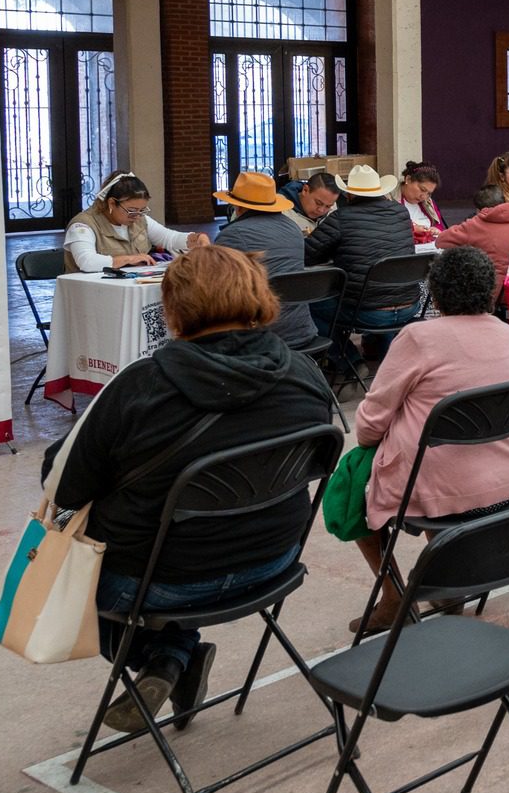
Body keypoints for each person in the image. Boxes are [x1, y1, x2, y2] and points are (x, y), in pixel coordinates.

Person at [42, 245, 334, 730]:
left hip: (160, 579)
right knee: (180, 528)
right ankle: (175, 656)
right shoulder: (306, 374)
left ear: (172, 307)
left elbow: (64, 488)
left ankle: (171, 655)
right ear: (261, 295)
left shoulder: (139, 386)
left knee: (66, 575)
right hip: (274, 558)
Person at [342, 246, 509, 632]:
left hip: (438, 486)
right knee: (435, 451)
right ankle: (447, 576)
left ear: (435, 291)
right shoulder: (507, 334)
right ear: (489, 290)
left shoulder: (417, 338)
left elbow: (369, 424)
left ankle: (394, 595)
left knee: (347, 481)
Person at [305, 165, 426, 359]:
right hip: (410, 305)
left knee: (308, 304)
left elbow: (308, 255)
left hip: (367, 312)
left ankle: (348, 362)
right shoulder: (401, 212)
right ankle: (381, 353)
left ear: (350, 195)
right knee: (377, 290)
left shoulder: (341, 218)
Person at [211, 171, 316, 349]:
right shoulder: (293, 228)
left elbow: (216, 287)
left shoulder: (232, 234)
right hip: (300, 330)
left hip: (258, 337)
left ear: (239, 208)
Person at [63, 171, 204, 273]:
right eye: (132, 210)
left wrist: (195, 239)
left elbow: (169, 238)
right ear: (112, 203)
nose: (137, 216)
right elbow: (87, 262)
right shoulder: (83, 225)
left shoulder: (140, 221)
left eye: (142, 210)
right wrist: (128, 259)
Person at [438, 183, 509, 292]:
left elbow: (441, 241)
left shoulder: (475, 224)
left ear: (478, 210)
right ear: (504, 200)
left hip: (496, 293)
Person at [398, 161, 445, 243]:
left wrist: (436, 230)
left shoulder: (428, 202)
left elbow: (439, 224)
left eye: (429, 193)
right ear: (408, 179)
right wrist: (412, 229)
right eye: (422, 189)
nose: (424, 196)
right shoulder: (389, 200)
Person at [282, 171, 341, 236]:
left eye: (328, 206)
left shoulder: (332, 206)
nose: (321, 210)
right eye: (318, 203)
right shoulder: (282, 211)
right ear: (305, 190)